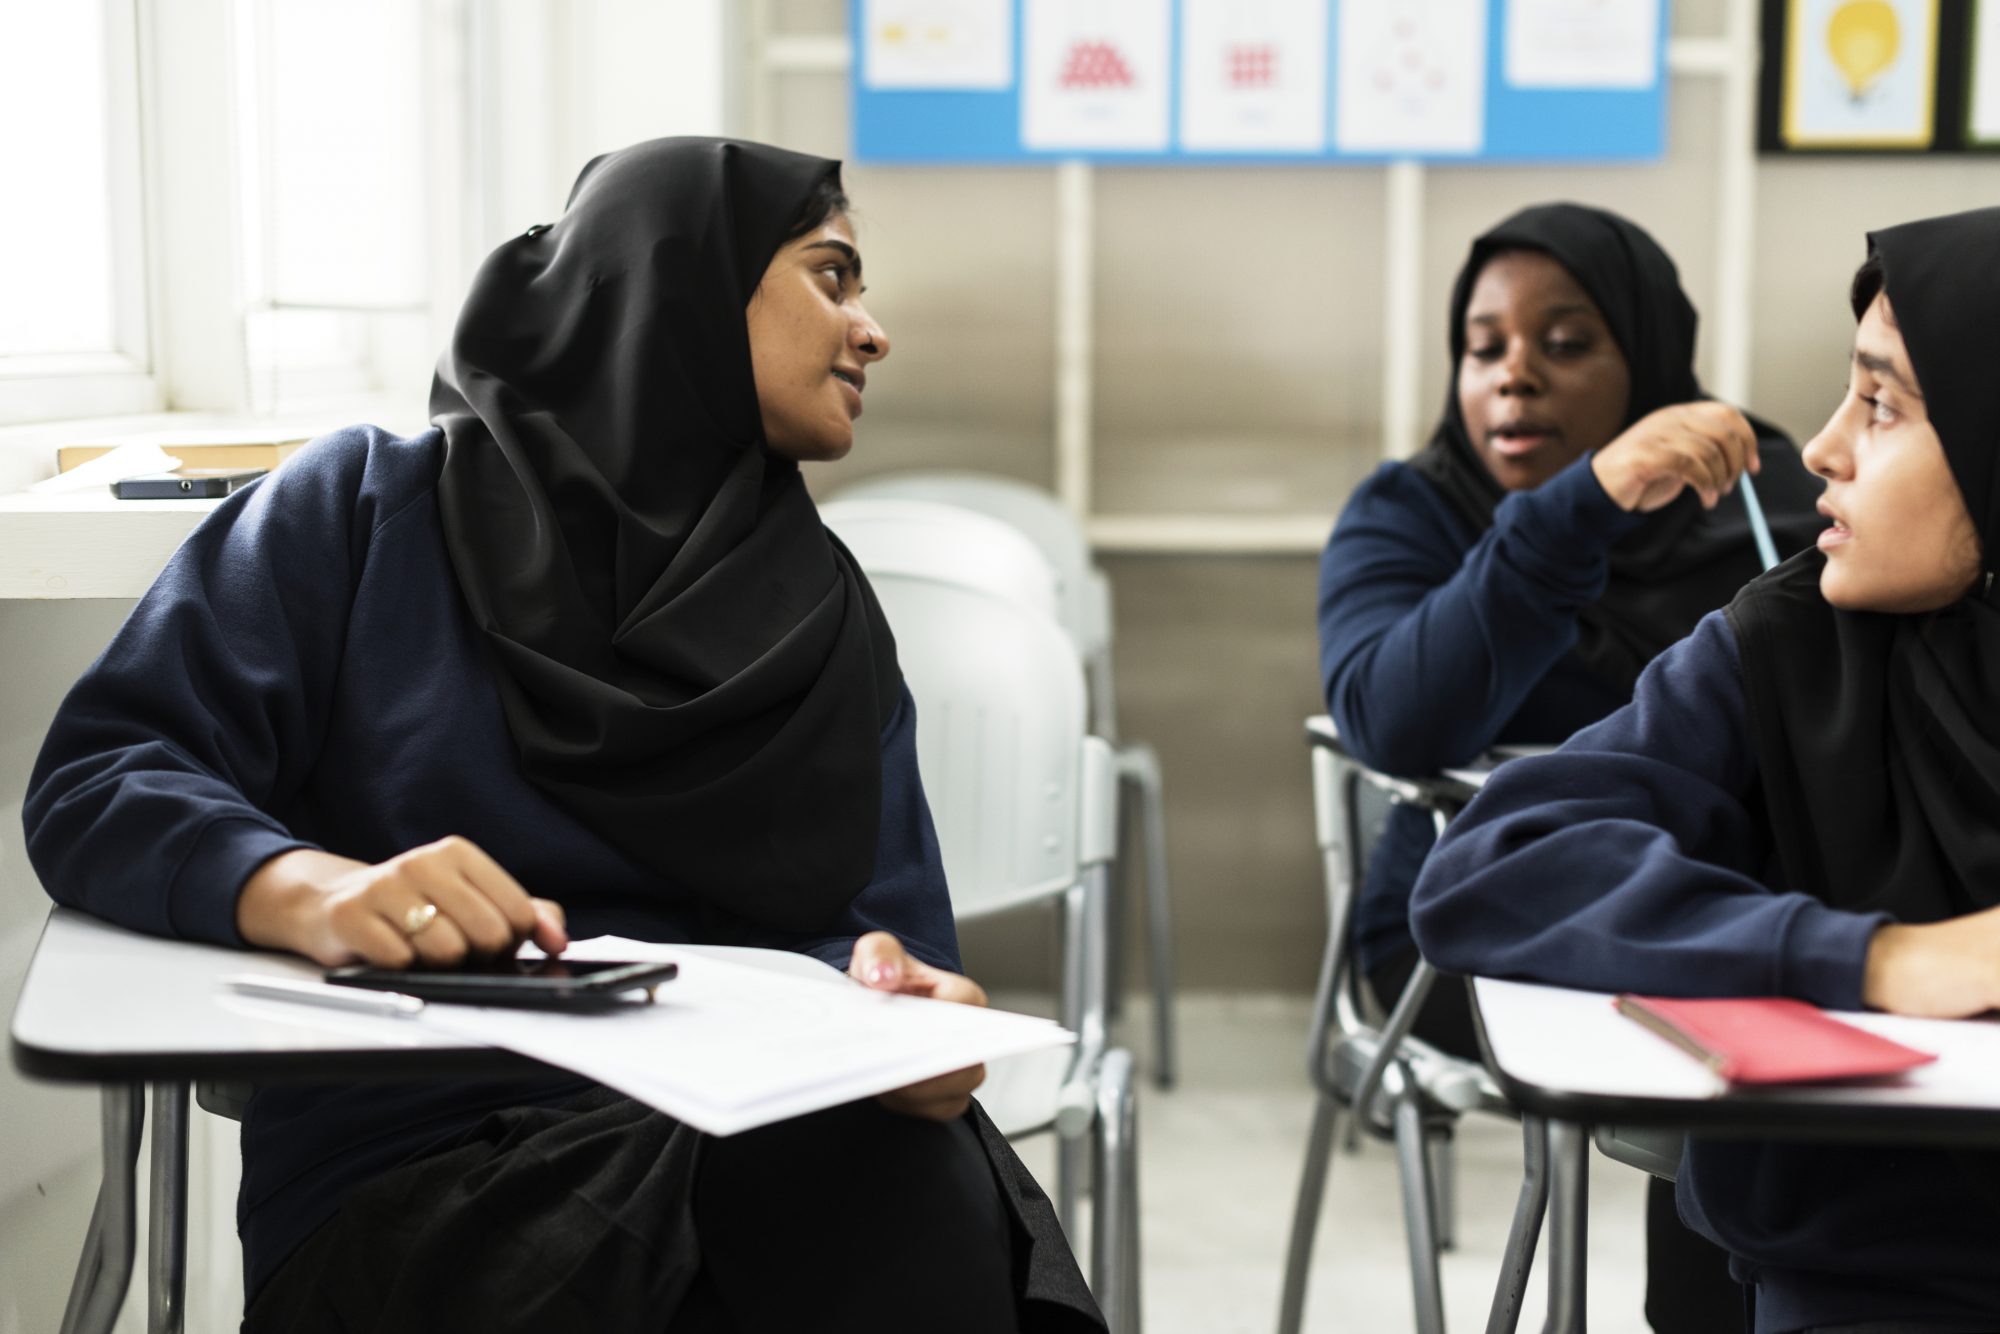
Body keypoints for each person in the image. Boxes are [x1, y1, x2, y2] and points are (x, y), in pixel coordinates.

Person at [23, 138, 1104, 1334]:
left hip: (754, 1153)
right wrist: (311, 889)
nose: (871, 331)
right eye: (831, 276)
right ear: (674, 285)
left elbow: (889, 951)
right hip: (416, 1179)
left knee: (892, 1168)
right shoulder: (360, 515)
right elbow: (99, 773)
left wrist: (912, 1016)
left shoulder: (825, 615)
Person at [1410, 206, 2000, 1333]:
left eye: (1878, 405)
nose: (1821, 448)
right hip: (1872, 1281)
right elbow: (1491, 862)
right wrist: (1877, 959)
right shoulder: (1787, 646)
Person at [1315, 202, 1823, 1331]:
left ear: (1648, 356)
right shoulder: (1410, 510)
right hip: (1462, 931)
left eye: (1564, 341)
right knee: (1741, 989)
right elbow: (1393, 720)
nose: (1514, 379)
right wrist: (1574, 509)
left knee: (1778, 985)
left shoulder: (1757, 497)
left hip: (1711, 910)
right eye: (1483, 346)